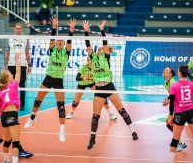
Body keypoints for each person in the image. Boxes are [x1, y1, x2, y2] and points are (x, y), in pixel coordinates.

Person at [84, 20, 138, 150]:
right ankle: (92, 140)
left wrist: (102, 30)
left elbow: (105, 43)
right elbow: (88, 45)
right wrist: (86, 31)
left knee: (122, 111)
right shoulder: (92, 58)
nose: (101, 49)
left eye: (103, 49)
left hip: (109, 86)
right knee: (95, 116)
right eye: (100, 49)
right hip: (99, 88)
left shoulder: (106, 57)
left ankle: (133, 132)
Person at [24, 16, 76, 143]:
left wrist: (71, 30)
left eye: (61, 42)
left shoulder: (66, 53)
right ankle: (32, 118)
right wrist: (54, 27)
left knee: (61, 107)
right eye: (58, 41)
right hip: (48, 78)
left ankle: (62, 132)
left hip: (59, 81)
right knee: (38, 100)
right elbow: (51, 39)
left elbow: (69, 42)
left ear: (64, 44)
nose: (59, 42)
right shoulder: (52, 50)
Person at [66, 40, 117, 121]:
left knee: (102, 97)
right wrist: (84, 78)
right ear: (87, 61)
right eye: (88, 60)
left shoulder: (96, 65)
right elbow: (77, 78)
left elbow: (102, 64)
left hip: (92, 83)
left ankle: (110, 113)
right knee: (76, 101)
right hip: (81, 84)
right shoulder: (83, 67)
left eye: (90, 60)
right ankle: (71, 112)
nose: (89, 61)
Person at [0, 52, 21, 163]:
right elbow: (19, 72)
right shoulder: (13, 85)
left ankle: (5, 161)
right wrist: (17, 59)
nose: (12, 74)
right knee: (15, 142)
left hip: (4, 116)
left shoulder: (0, 90)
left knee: (7, 140)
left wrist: (2, 113)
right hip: (12, 114)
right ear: (8, 78)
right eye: (10, 74)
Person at [5, 23, 31, 111]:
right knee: (10, 85)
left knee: (22, 85)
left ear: (22, 29)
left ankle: (22, 104)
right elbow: (7, 53)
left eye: (20, 29)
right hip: (11, 64)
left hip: (22, 65)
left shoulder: (25, 39)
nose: (18, 30)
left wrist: (29, 65)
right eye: (17, 28)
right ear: (14, 29)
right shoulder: (10, 39)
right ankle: (11, 102)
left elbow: (27, 53)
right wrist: (5, 66)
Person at [162, 67, 187, 152]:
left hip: (180, 105)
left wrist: (167, 101)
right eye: (164, 70)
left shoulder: (172, 82)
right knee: (170, 124)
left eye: (166, 70)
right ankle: (178, 142)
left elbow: (174, 95)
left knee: (170, 124)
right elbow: (172, 95)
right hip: (176, 104)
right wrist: (167, 100)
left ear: (171, 74)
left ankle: (180, 143)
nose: (164, 71)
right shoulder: (165, 82)